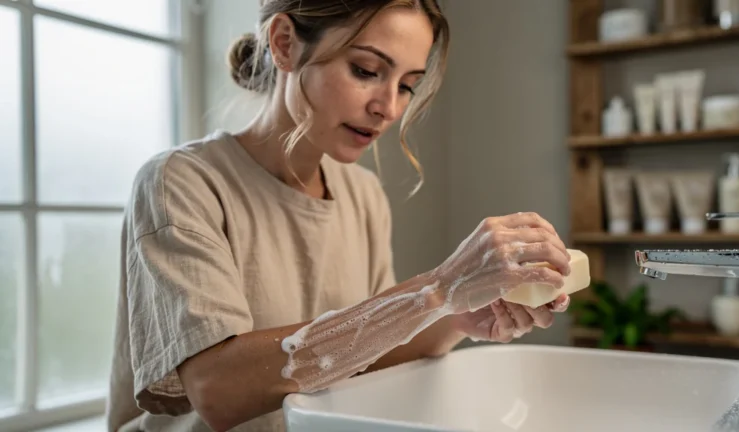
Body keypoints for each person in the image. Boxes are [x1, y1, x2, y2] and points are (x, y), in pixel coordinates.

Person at [106, 1, 571, 431]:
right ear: (285, 43)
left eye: (407, 85)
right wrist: (439, 288)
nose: (387, 108)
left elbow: (365, 352)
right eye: (366, 70)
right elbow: (216, 389)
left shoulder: (363, 194)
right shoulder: (181, 182)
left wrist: (456, 315)